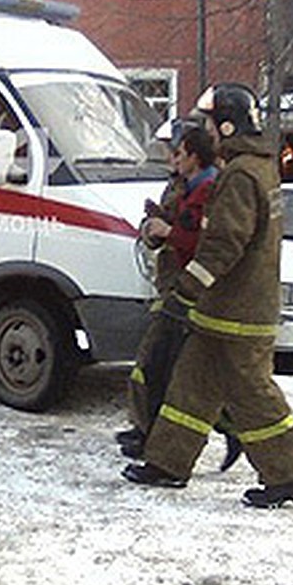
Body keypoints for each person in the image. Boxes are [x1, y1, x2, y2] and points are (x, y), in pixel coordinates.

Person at [123, 83, 293, 508]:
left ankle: (288, 475)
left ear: (228, 125)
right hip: (223, 311)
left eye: (209, 124)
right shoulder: (254, 168)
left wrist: (187, 288)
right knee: (190, 387)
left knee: (252, 393)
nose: (205, 132)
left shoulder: (243, 174)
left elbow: (225, 243)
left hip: (240, 314)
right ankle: (168, 464)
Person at [118, 121, 221, 459]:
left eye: (176, 152)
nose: (170, 158)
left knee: (161, 365)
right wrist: (156, 224)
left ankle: (223, 427)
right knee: (155, 365)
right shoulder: (183, 185)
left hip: (188, 290)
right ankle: (145, 429)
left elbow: (200, 241)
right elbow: (173, 229)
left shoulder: (209, 188)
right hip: (172, 284)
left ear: (193, 154)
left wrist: (167, 229)